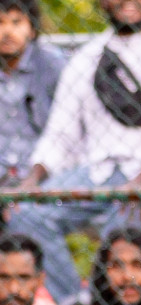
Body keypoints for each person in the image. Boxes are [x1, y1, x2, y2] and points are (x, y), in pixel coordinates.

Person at [8, 0, 141, 305]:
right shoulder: (86, 59)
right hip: (97, 172)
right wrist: (33, 179)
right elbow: (61, 133)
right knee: (26, 213)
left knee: (122, 228)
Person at [0, 0, 66, 184]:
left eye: (16, 22)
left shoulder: (53, 65)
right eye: (0, 22)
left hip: (46, 174)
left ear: (32, 29)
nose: (7, 31)